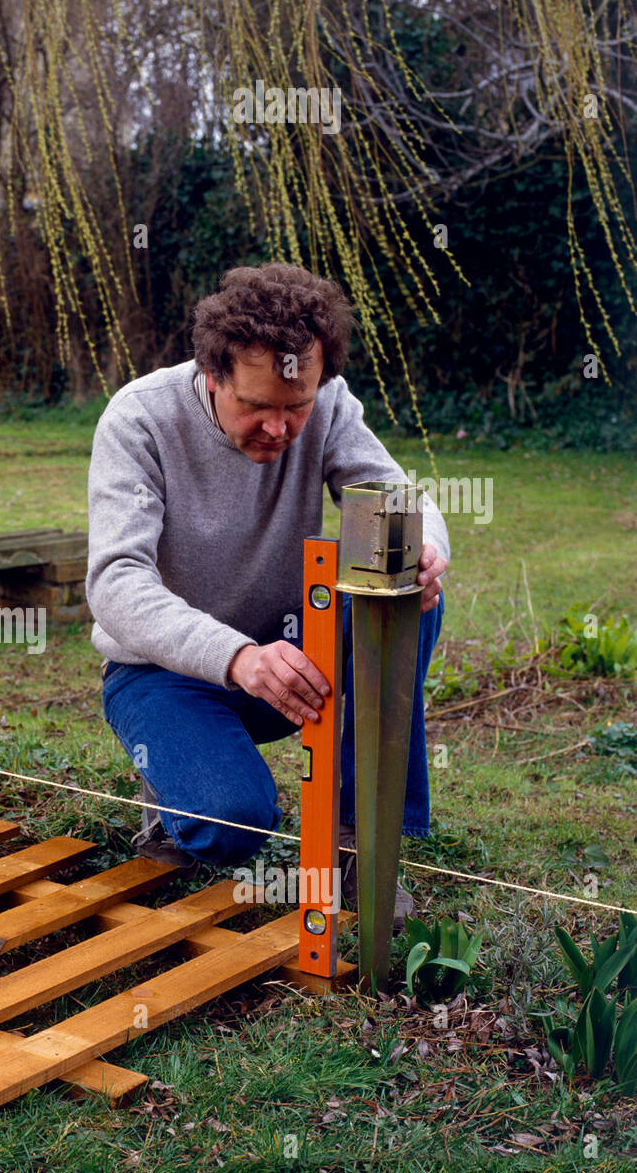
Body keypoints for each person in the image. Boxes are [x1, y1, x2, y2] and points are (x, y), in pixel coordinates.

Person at [86, 262, 449, 926]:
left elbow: (396, 500)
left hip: (291, 664)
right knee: (231, 824)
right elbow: (116, 583)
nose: (279, 430)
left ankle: (358, 840)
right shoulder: (139, 420)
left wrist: (424, 554)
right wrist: (240, 659)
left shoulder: (331, 404)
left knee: (399, 589)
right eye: (255, 407)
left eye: (295, 408)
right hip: (164, 672)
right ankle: (182, 795)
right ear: (212, 374)